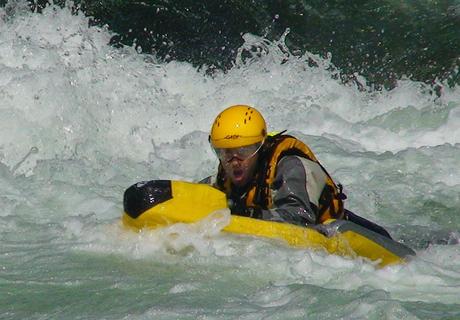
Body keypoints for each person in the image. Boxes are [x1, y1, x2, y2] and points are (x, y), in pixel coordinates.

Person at [202, 104, 392, 238]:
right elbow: (203, 192)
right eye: (225, 152)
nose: (235, 161)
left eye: (244, 150)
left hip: (340, 229)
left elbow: (299, 219)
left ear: (260, 146)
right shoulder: (227, 170)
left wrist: (242, 212)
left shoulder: (291, 167)